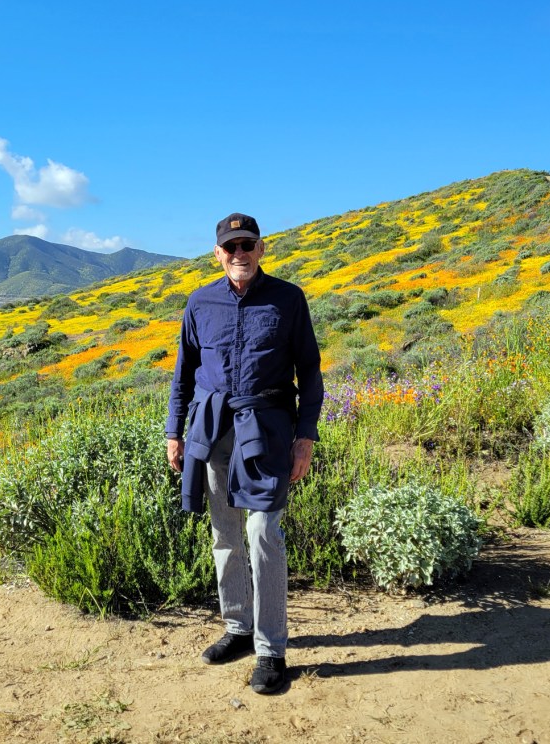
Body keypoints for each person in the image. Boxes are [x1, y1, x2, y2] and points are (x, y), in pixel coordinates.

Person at [165, 212, 323, 695]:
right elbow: (184, 374)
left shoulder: (288, 299)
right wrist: (175, 432)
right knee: (224, 532)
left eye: (247, 245)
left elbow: (311, 373)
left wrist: (306, 436)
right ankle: (237, 628)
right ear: (218, 254)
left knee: (262, 531)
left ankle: (271, 649)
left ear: (261, 249)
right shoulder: (199, 302)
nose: (239, 254)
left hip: (269, 429)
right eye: (230, 247)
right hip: (212, 430)